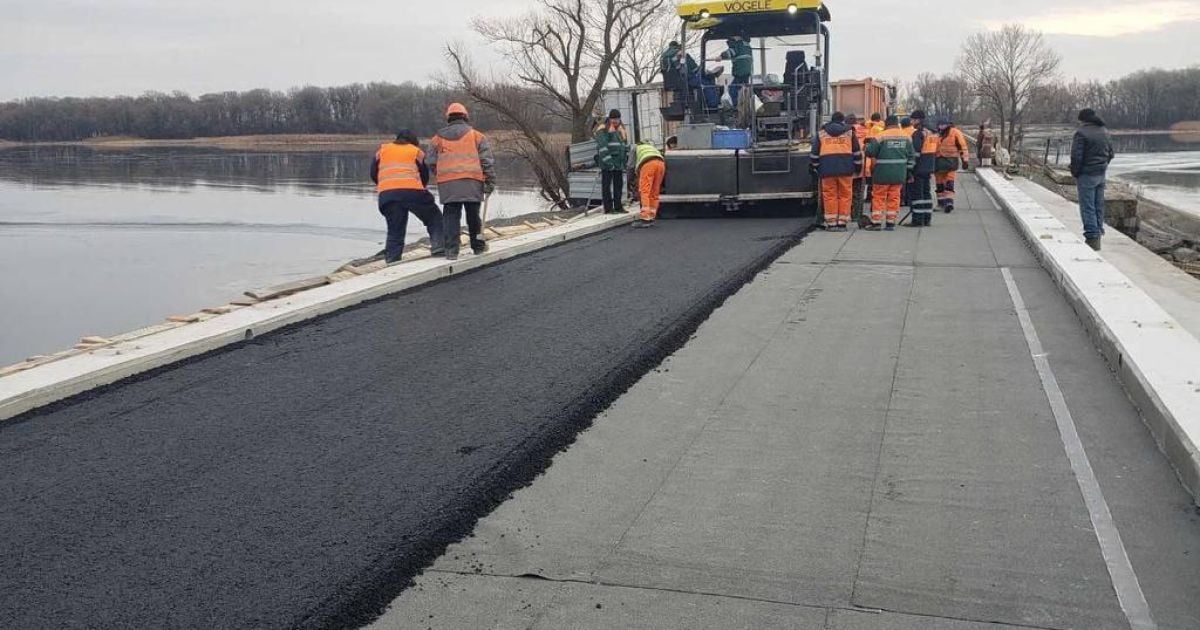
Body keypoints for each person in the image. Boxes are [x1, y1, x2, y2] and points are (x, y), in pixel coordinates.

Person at [429, 102, 496, 260]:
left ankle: (451, 251)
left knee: (450, 216)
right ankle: (478, 246)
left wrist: (440, 173)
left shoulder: (437, 139)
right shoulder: (477, 136)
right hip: (472, 181)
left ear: (448, 118)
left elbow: (430, 161)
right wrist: (490, 181)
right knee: (473, 216)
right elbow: (486, 161)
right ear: (465, 116)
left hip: (448, 184)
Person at [370, 130, 445, 263]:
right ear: (414, 141)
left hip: (387, 194)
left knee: (395, 230)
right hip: (413, 191)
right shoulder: (416, 152)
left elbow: (373, 173)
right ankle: (439, 247)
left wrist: (385, 186)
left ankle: (392, 259)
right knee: (434, 218)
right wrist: (420, 188)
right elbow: (424, 175)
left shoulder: (382, 151)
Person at [1070, 108, 1116, 251]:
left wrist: (1075, 172)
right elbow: (1111, 154)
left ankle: (1092, 238)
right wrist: (1103, 166)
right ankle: (1098, 232)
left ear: (1082, 119)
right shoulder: (1104, 131)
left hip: (1086, 174)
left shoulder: (1081, 133)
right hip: (1100, 174)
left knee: (1087, 206)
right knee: (1098, 205)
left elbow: (1076, 157)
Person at [810, 112, 863, 232]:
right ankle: (842, 223)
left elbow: (814, 154)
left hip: (826, 170)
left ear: (831, 120)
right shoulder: (849, 132)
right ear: (843, 121)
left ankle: (831, 223)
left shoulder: (822, 133)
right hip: (846, 169)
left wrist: (817, 167)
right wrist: (857, 167)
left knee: (829, 195)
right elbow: (856, 152)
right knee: (845, 195)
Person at [864, 115, 914, 231]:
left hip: (882, 173)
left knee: (879, 197)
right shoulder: (906, 137)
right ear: (897, 124)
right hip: (899, 173)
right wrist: (909, 172)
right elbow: (911, 157)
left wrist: (867, 147)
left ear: (886, 124)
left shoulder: (880, 136)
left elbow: (870, 152)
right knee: (894, 197)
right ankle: (890, 223)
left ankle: (876, 222)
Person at [595, 109, 630, 214]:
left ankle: (618, 206)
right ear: (609, 119)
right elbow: (602, 147)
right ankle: (608, 208)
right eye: (613, 119)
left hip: (619, 163)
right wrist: (609, 163)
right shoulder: (603, 129)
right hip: (608, 163)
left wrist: (625, 160)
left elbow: (624, 145)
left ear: (620, 119)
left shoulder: (621, 129)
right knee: (606, 186)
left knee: (618, 185)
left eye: (617, 119)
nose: (615, 121)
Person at [907, 110, 938, 227]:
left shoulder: (918, 134)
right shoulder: (932, 132)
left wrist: (910, 169)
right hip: (929, 166)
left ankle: (917, 220)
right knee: (926, 193)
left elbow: (915, 153)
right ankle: (927, 218)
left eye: (912, 120)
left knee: (917, 194)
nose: (911, 122)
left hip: (919, 168)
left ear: (918, 120)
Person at [934, 117, 969, 213]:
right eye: (940, 125)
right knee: (939, 184)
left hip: (951, 162)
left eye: (943, 124)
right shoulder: (935, 134)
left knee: (949, 182)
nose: (941, 126)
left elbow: (963, 147)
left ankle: (949, 202)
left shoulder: (955, 133)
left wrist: (965, 160)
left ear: (948, 124)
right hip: (938, 162)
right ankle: (941, 203)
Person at [711, 36, 753, 107]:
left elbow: (730, 52)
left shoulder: (738, 45)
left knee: (733, 89)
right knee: (745, 88)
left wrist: (721, 56)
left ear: (736, 37)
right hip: (747, 71)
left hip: (740, 71)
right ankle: (746, 104)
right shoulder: (747, 45)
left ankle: (734, 106)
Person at [634, 141, 667, 228]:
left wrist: (630, 181)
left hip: (648, 164)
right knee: (655, 191)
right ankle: (651, 216)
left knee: (644, 191)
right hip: (661, 164)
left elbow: (630, 166)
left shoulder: (635, 148)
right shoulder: (650, 147)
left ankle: (645, 218)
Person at [847, 113, 869, 223]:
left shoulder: (846, 133)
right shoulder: (866, 131)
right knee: (858, 193)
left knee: (846, 193)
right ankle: (856, 215)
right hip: (862, 167)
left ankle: (846, 214)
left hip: (847, 168)